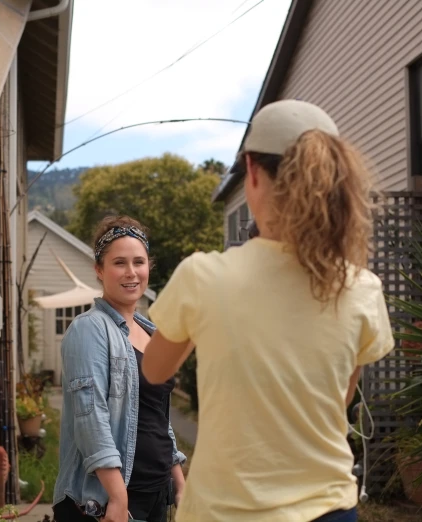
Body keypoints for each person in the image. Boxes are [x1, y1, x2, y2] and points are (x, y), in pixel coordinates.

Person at [142, 100, 394, 522]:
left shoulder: (203, 277)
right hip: (330, 508)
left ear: (252, 173)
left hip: (226, 511)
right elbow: (341, 398)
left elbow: (154, 370)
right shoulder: (361, 288)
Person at [52, 216, 187, 522]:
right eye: (119, 263)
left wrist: (178, 482)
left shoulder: (151, 332)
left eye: (138, 262)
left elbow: (157, 416)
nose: (131, 272)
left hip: (154, 493)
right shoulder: (89, 329)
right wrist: (116, 494)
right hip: (105, 502)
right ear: (99, 270)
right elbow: (91, 417)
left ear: (148, 267)